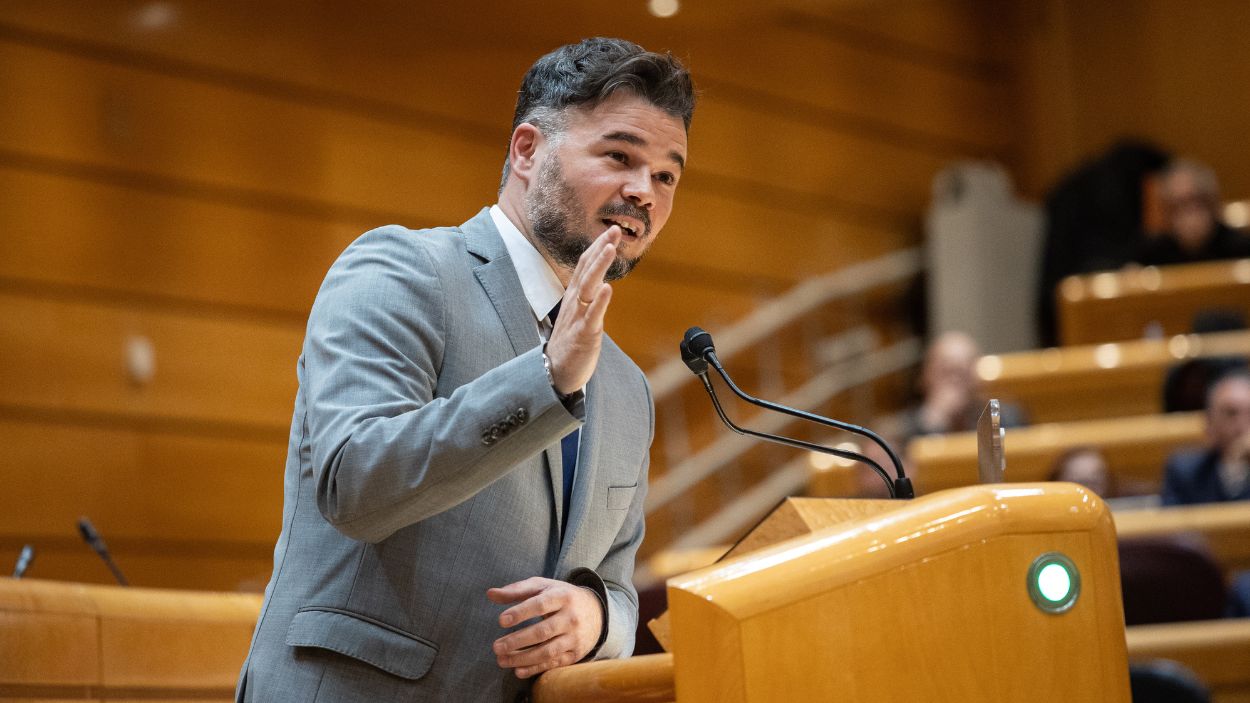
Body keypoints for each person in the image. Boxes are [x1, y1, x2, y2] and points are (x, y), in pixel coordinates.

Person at [235, 38, 695, 701]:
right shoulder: (400, 270)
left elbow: (619, 586)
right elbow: (355, 483)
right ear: (528, 151)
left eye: (666, 175)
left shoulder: (627, 388)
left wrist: (595, 618)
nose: (642, 191)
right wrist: (547, 381)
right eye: (619, 156)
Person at [901, 331, 1025, 439]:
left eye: (962, 373)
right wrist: (932, 422)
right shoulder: (902, 431)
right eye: (946, 372)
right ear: (924, 377)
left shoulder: (1005, 421)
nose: (955, 383)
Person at [1161, 369, 1250, 506]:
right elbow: (1173, 525)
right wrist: (1234, 467)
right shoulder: (1184, 472)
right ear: (1209, 422)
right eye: (1231, 413)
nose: (1242, 425)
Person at [1139, 158, 1250, 266]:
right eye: (1179, 206)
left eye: (1197, 203)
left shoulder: (1241, 247)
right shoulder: (1151, 254)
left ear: (1212, 203)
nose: (1190, 216)